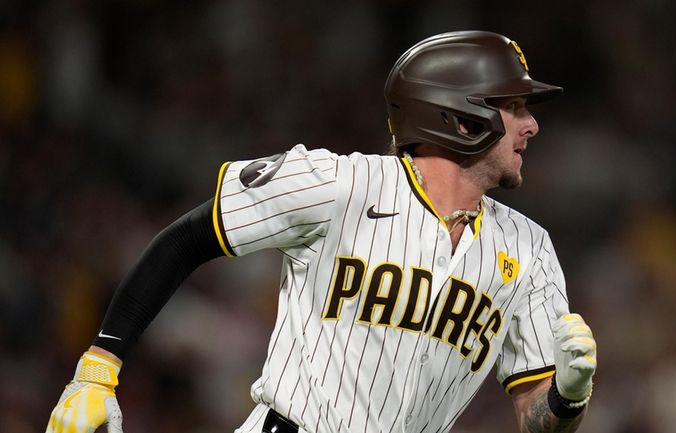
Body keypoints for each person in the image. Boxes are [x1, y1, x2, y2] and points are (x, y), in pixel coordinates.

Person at [46, 30, 597, 433]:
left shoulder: (530, 249)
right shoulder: (339, 183)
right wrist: (98, 370)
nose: (532, 125)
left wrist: (567, 401)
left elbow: (536, 419)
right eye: (515, 106)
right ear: (461, 115)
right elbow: (188, 238)